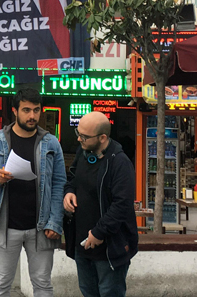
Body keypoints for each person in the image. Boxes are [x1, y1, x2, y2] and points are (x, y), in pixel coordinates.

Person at [0, 87, 66, 297]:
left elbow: (59, 183)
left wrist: (55, 221)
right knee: (0, 285)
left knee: (43, 284)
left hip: (41, 226)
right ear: (15, 111)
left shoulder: (51, 143)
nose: (32, 116)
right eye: (26, 110)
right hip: (5, 225)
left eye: (36, 110)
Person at [64, 112, 138, 297]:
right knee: (88, 292)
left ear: (103, 137)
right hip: (82, 245)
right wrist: (69, 192)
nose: (79, 138)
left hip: (109, 249)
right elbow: (72, 178)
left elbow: (122, 204)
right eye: (78, 133)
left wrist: (99, 232)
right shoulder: (83, 152)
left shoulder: (120, 163)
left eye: (85, 136)